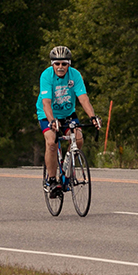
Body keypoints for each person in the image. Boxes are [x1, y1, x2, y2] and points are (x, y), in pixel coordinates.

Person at [38, 45, 100, 196]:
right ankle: (51, 179)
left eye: (64, 64)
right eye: (57, 63)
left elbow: (83, 99)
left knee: (78, 139)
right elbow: (46, 103)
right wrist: (52, 120)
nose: (60, 67)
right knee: (51, 142)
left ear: (69, 64)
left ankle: (67, 169)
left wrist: (93, 117)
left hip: (67, 113)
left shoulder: (75, 75)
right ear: (52, 64)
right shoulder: (46, 76)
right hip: (47, 114)